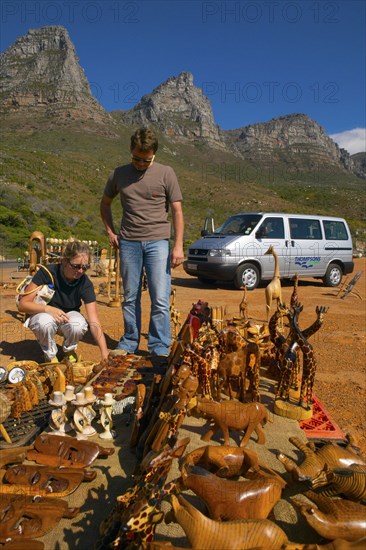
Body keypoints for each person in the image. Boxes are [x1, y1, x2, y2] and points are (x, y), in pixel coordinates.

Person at [100, 127, 184, 361]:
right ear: (131, 151)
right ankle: (130, 341)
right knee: (130, 296)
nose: (139, 163)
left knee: (159, 296)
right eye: (136, 158)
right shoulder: (118, 174)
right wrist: (110, 231)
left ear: (154, 155)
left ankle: (159, 345)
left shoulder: (166, 173)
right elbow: (105, 204)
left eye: (145, 160)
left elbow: (177, 211)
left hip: (158, 242)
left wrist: (178, 246)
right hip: (129, 243)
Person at [18, 240, 109, 363]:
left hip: (67, 317)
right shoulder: (47, 273)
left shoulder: (84, 282)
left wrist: (104, 352)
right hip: (43, 314)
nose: (81, 271)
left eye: (85, 267)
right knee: (44, 323)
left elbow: (94, 321)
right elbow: (23, 304)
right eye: (76, 266)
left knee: (79, 325)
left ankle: (69, 350)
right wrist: (48, 309)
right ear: (65, 261)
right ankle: (50, 356)